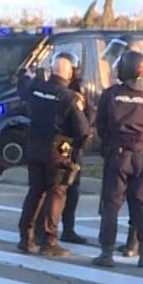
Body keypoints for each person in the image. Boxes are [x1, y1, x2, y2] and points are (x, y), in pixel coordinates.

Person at [94, 50, 143, 267]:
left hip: (118, 153)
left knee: (112, 204)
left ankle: (106, 253)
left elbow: (101, 125)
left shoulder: (111, 94)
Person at [17, 52, 91, 256]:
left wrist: (26, 74)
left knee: (35, 192)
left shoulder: (35, 89)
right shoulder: (70, 98)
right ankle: (49, 241)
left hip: (34, 148)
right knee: (56, 194)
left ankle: (25, 237)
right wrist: (74, 149)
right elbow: (83, 130)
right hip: (57, 152)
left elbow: (22, 88)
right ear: (70, 74)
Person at [58, 66, 93, 244]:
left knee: (71, 190)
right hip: (65, 147)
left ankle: (67, 229)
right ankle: (55, 229)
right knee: (59, 190)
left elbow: (88, 119)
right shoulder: (64, 94)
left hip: (70, 148)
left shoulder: (76, 94)